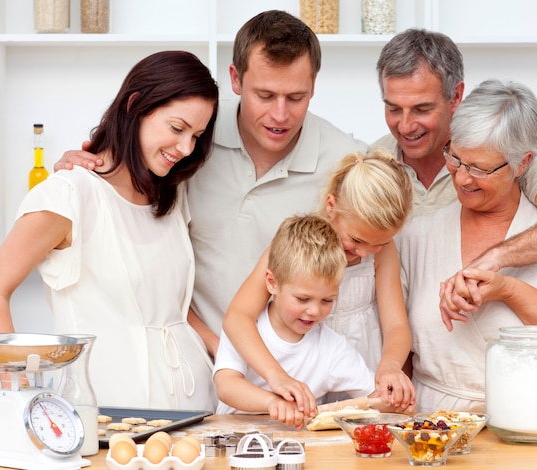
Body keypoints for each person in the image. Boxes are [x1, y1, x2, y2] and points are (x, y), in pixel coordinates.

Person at [52, 10, 368, 366]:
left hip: (297, 379)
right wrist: (84, 169)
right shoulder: (191, 143)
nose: (280, 115)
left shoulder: (348, 164)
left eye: (296, 97)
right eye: (264, 95)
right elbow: (129, 207)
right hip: (196, 365)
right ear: (235, 79)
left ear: (313, 85)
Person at [0, 51, 220, 410]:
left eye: (196, 135)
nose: (185, 148)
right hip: (106, 417)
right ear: (135, 105)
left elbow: (165, 304)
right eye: (177, 128)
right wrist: (16, 386)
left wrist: (219, 349)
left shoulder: (171, 196)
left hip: (195, 409)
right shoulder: (70, 193)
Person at [397, 79, 537, 412]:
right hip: (433, 430)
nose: (462, 178)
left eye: (479, 168)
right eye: (455, 158)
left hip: (533, 419)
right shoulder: (416, 236)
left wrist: (508, 289)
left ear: (523, 163)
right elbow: (398, 352)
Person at [373, 29, 537, 283]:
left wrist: (496, 256)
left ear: (455, 96)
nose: (406, 126)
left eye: (422, 109)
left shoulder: (506, 158)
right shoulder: (375, 163)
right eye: (393, 108)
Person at [223, 149, 416, 414]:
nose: (364, 252)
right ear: (331, 207)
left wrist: (391, 365)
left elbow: (396, 324)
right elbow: (238, 316)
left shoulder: (384, 252)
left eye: (379, 244)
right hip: (298, 371)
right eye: (357, 240)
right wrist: (276, 376)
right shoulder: (294, 248)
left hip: (359, 368)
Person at [214, 215, 389, 429]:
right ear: (272, 283)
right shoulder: (246, 331)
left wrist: (396, 397)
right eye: (302, 299)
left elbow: (376, 399)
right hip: (232, 445)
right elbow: (226, 385)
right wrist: (271, 402)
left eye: (327, 300)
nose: (314, 311)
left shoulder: (332, 349)